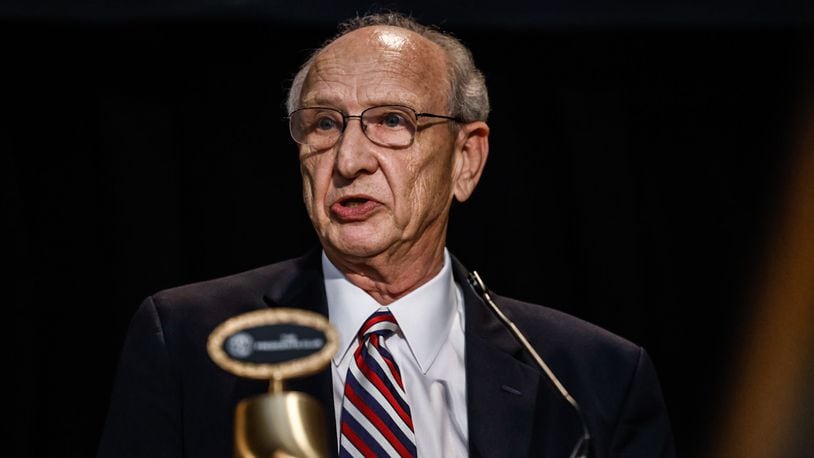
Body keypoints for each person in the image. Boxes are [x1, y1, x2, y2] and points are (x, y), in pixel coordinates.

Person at [97, 12, 676, 458]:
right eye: (324, 123)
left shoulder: (589, 378)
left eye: (392, 122)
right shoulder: (187, 340)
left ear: (466, 160)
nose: (349, 159)